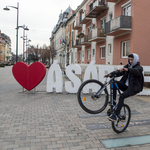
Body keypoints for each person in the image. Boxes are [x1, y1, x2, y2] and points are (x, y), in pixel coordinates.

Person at [104, 53, 144, 122]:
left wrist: (127, 69)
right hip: (125, 86)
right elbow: (119, 72)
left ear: (136, 60)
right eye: (129, 59)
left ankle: (115, 115)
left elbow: (136, 72)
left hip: (133, 89)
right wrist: (109, 74)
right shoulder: (128, 66)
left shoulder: (139, 68)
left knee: (122, 97)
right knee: (113, 83)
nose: (130, 61)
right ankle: (113, 101)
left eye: (132, 59)